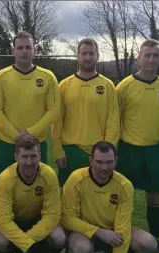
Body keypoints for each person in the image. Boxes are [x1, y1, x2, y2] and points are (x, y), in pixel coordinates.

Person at [61, 141, 157, 253]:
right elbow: (66, 219)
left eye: (109, 162)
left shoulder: (124, 185)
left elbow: (123, 228)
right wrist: (98, 231)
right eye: (99, 162)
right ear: (91, 161)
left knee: (149, 244)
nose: (104, 167)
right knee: (80, 250)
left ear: (116, 161)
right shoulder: (75, 179)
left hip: (113, 232)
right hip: (83, 232)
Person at [114, 39, 159, 253]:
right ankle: (118, 241)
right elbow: (114, 119)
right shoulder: (124, 86)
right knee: (121, 198)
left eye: (155, 55)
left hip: (155, 150)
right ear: (138, 57)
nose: (150, 59)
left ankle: (156, 241)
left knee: (155, 197)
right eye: (146, 55)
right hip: (129, 150)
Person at [0, 31, 60, 186]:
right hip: (8, 143)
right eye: (20, 48)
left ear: (35, 50)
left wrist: (30, 134)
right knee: (5, 186)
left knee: (38, 187)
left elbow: (54, 110)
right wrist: (17, 136)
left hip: (37, 142)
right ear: (13, 51)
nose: (24, 51)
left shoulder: (48, 76)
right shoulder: (0, 77)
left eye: (28, 47)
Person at [0, 134, 64, 253]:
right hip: (14, 220)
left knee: (59, 238)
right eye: (24, 156)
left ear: (40, 155)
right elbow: (3, 219)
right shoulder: (5, 178)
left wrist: (28, 239)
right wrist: (27, 243)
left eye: (33, 156)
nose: (29, 162)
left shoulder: (49, 175)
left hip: (37, 220)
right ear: (16, 157)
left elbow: (52, 215)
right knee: (0, 241)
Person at [51, 38, 120, 187]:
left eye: (91, 53)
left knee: (96, 197)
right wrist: (58, 150)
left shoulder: (108, 86)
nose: (88, 57)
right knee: (67, 195)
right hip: (70, 151)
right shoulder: (64, 85)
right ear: (77, 56)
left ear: (98, 56)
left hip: (98, 153)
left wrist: (107, 151)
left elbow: (113, 122)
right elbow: (57, 121)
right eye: (84, 53)